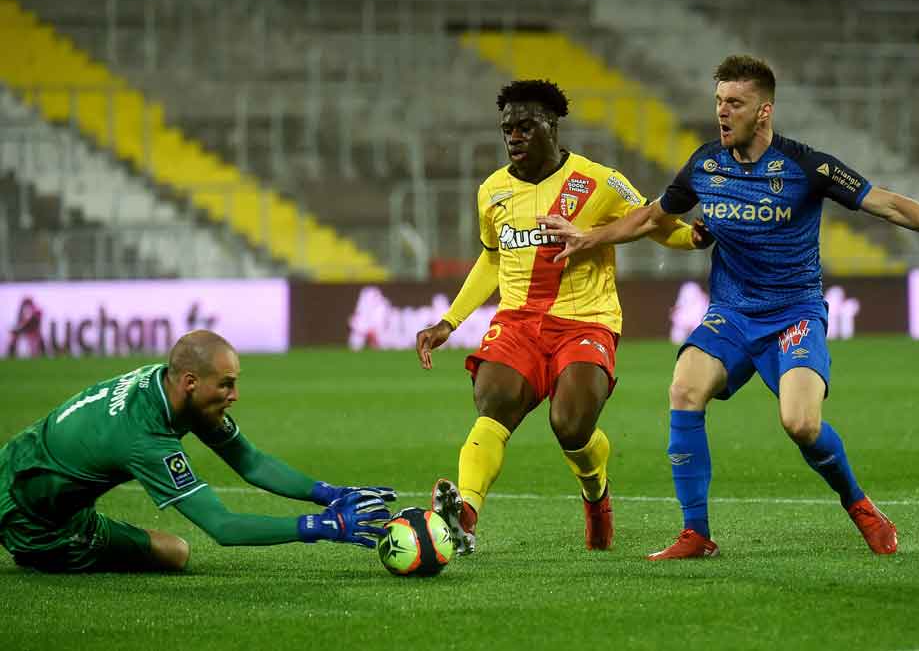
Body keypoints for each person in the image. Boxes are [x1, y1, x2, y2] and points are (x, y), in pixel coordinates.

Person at [540, 55, 919, 559]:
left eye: (735, 103)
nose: (722, 113)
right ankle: (696, 533)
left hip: (794, 313)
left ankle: (860, 505)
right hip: (731, 312)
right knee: (684, 389)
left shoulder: (805, 166)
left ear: (763, 112)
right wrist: (591, 237)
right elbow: (650, 217)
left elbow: (887, 202)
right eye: (719, 102)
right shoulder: (704, 164)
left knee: (801, 424)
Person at [415, 79, 710, 555]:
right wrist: (449, 321)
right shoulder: (492, 192)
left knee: (570, 424)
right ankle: (465, 516)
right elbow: (492, 258)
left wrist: (692, 239)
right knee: (493, 397)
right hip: (518, 322)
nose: (514, 136)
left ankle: (596, 496)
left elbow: (654, 222)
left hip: (585, 320)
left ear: (551, 127)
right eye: (508, 128)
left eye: (525, 127)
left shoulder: (598, 181)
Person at [0, 329, 395, 573]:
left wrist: (331, 493)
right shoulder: (144, 436)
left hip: (20, 463)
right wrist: (322, 526)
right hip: (36, 523)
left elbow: (250, 462)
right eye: (225, 384)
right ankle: (38, 552)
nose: (234, 395)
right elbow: (223, 527)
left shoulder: (167, 385)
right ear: (191, 381)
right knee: (176, 552)